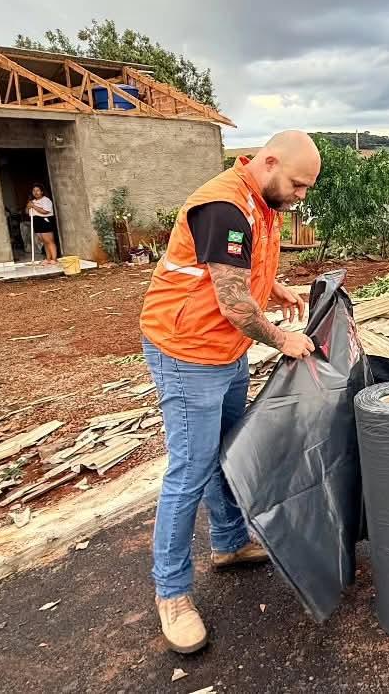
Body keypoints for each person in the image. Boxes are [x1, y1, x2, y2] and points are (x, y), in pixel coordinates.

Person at [138, 130, 321, 654]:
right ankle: (171, 595)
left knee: (225, 451)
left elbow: (245, 280)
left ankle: (229, 541)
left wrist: (275, 288)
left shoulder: (262, 200)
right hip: (187, 351)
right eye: (298, 184)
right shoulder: (223, 206)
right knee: (189, 471)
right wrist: (283, 338)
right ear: (268, 162)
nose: (301, 195)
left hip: (224, 349)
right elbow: (232, 302)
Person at [26, 184, 58, 265]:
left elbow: (45, 211)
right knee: (44, 242)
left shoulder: (46, 200)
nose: (35, 192)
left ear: (42, 192)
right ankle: (48, 259)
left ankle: (54, 259)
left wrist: (34, 206)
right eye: (34, 191)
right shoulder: (33, 201)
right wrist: (28, 206)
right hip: (36, 221)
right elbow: (27, 212)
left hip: (44, 220)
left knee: (49, 241)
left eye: (38, 190)